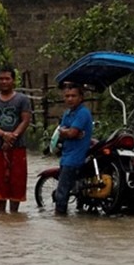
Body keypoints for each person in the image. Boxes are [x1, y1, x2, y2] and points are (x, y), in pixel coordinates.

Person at [0, 66, 32, 215]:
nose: (4, 82)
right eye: (1, 79)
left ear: (13, 80)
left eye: (7, 79)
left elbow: (25, 120)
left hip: (18, 147)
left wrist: (12, 137)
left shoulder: (22, 99)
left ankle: (15, 215)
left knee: (17, 181)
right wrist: (3, 134)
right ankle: (2, 215)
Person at [54, 83, 93, 215]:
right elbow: (63, 131)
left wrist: (67, 132)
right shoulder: (68, 113)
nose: (70, 99)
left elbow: (70, 133)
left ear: (81, 97)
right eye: (67, 96)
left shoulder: (83, 113)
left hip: (75, 158)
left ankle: (60, 217)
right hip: (66, 155)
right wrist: (67, 132)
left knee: (62, 192)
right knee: (75, 189)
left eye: (73, 96)